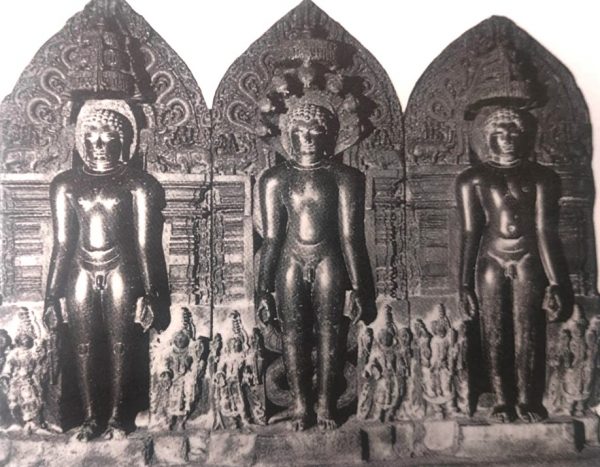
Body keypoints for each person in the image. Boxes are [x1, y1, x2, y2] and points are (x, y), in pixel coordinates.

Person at [43, 100, 169, 440]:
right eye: (91, 135)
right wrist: (51, 296)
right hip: (80, 269)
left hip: (121, 269)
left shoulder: (137, 184)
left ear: (123, 141)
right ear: (81, 140)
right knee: (83, 345)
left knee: (121, 345)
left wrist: (151, 292)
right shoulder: (66, 184)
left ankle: (116, 417)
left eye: (107, 135)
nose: (98, 143)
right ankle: (90, 417)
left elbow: (145, 245)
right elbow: (62, 244)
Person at [257, 99, 375, 431]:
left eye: (315, 131)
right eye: (300, 131)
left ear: (329, 136)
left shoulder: (344, 177)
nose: (308, 138)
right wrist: (262, 290)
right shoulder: (275, 179)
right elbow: (271, 238)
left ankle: (325, 403)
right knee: (292, 333)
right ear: (289, 135)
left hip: (328, 258)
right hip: (290, 259)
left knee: (330, 331)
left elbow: (350, 237)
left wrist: (359, 287)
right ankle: (300, 404)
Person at [456, 106, 569, 423]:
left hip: (528, 256)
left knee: (527, 327)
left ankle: (526, 399)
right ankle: (502, 399)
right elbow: (470, 231)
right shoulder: (472, 179)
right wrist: (463, 284)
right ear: (487, 137)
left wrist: (556, 282)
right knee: (493, 329)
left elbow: (544, 230)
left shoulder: (541, 177)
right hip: (491, 256)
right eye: (499, 132)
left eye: (513, 132)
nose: (506, 138)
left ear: (524, 137)